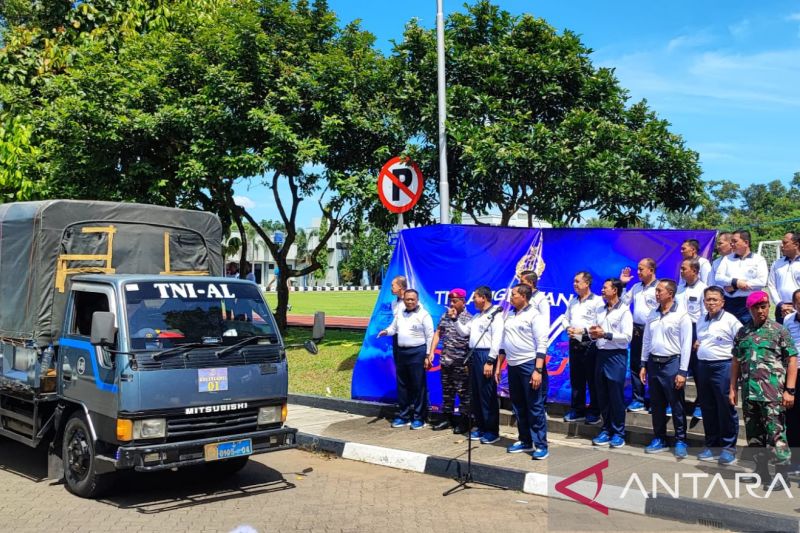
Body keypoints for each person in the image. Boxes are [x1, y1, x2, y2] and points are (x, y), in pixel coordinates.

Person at [730, 290, 797, 486]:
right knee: (754, 436)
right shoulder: (743, 332)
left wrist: (790, 390)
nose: (760, 311)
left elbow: (792, 359)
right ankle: (761, 471)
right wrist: (733, 388)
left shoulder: (779, 330)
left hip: (772, 394)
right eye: (756, 308)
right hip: (750, 394)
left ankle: (781, 474)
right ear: (749, 309)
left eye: (764, 307)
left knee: (776, 435)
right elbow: (735, 361)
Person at [496, 284, 550, 459]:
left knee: (534, 406)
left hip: (529, 365)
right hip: (513, 366)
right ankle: (525, 441)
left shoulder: (535, 315)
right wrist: (499, 366)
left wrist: (538, 370)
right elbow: (504, 343)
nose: (510, 298)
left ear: (524, 296)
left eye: (514, 294)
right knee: (518, 406)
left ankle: (541, 445)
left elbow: (542, 343)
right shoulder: (510, 314)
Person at [640, 278, 692, 458]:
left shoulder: (682, 316)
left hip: (672, 363)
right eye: (656, 291)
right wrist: (643, 364)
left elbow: (686, 345)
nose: (656, 293)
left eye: (660, 290)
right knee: (656, 403)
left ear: (670, 293)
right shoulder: (652, 314)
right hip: (654, 363)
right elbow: (646, 340)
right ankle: (659, 437)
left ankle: (680, 439)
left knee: (676, 404)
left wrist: (682, 371)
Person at [694, 286, 742, 465]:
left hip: (723, 367)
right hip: (703, 367)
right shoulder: (701, 320)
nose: (711, 303)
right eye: (708, 299)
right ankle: (712, 445)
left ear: (722, 302)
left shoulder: (731, 321)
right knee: (708, 408)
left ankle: (728, 448)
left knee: (725, 408)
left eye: (715, 300)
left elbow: (741, 343)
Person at [378, 289, 435, 430]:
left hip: (418, 352)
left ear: (417, 300)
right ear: (404, 299)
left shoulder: (424, 315)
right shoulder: (400, 313)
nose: (409, 302)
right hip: (401, 352)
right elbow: (393, 328)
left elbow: (430, 336)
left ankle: (419, 417)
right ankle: (403, 415)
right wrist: (386, 331)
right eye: (407, 299)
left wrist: (428, 355)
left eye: (412, 299)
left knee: (418, 385)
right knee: (402, 385)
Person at [455, 286, 503, 444]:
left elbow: (497, 339)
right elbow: (463, 332)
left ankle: (492, 431)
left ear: (484, 297)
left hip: (486, 355)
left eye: (475, 297)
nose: (473, 300)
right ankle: (481, 427)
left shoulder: (495, 314)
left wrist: (490, 361)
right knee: (476, 394)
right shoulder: (476, 316)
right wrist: (455, 319)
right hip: (474, 355)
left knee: (487, 395)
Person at [589, 278, 633, 449]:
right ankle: (606, 429)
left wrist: (606, 335)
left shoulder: (624, 311)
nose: (602, 290)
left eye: (605, 287)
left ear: (615, 290)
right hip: (601, 354)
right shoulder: (600, 309)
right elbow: (595, 330)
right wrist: (591, 333)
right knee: (602, 394)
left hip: (616, 356)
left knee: (615, 395)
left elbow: (627, 337)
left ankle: (618, 433)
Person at [560, 271, 605, 425]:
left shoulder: (597, 301)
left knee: (592, 380)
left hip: (590, 344)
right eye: (574, 281)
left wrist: (584, 330)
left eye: (577, 281)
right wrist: (568, 328)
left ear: (587, 283)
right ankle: (577, 410)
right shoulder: (573, 301)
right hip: (574, 343)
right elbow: (565, 318)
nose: (575, 284)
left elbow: (600, 322)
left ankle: (594, 411)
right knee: (576, 379)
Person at [428, 288, 472, 433]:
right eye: (450, 301)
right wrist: (431, 351)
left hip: (460, 362)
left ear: (463, 301)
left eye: (455, 301)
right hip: (446, 360)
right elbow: (438, 332)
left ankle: (465, 420)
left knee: (463, 392)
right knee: (447, 391)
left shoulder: (469, 319)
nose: (452, 304)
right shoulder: (445, 316)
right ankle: (447, 418)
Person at [620, 258, 659, 412]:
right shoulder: (636, 287)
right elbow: (623, 302)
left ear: (651, 270)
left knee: (653, 366)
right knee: (636, 364)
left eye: (641, 269)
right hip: (637, 330)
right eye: (638, 269)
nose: (638, 272)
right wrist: (623, 284)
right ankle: (639, 399)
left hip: (654, 330)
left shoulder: (659, 287)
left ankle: (655, 401)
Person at [713, 229, 768, 325]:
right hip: (729, 303)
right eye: (731, 242)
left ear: (746, 243)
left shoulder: (758, 260)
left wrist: (735, 286)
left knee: (748, 333)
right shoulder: (727, 259)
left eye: (735, 241)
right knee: (729, 331)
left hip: (749, 302)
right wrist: (735, 281)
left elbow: (762, 281)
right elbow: (718, 278)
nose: (732, 244)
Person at [676, 257, 708, 419]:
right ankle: (675, 403)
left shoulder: (703, 289)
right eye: (681, 269)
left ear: (695, 271)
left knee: (697, 370)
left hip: (696, 330)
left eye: (684, 269)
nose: (681, 271)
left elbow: (705, 315)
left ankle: (701, 404)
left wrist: (700, 337)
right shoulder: (679, 288)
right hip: (678, 330)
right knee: (677, 368)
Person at [780, 289, 800, 454]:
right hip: (794, 373)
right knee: (792, 418)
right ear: (794, 305)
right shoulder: (788, 320)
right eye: (799, 302)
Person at [767, 232, 800, 324]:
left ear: (796, 245)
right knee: (782, 337)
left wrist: (795, 307)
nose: (782, 246)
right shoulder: (777, 263)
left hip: (798, 308)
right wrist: (780, 304)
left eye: (785, 243)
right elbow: (771, 285)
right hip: (781, 309)